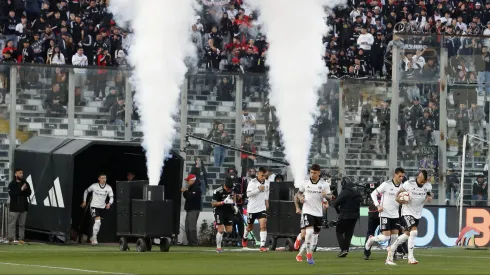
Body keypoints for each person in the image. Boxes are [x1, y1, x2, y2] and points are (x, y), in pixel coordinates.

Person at [386, 170, 432, 265]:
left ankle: (392, 248)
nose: (423, 183)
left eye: (425, 181)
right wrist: (398, 199)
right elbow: (398, 193)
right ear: (419, 177)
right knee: (414, 231)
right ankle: (410, 257)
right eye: (422, 180)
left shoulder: (428, 186)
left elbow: (429, 194)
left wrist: (429, 197)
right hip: (407, 212)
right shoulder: (408, 184)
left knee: (407, 234)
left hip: (417, 213)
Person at [294, 164, 332, 264]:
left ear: (319, 173)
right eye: (311, 172)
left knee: (314, 238)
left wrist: (326, 197)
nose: (312, 174)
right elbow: (298, 194)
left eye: (315, 173)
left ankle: (299, 253)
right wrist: (300, 199)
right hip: (307, 211)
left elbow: (330, 197)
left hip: (318, 213)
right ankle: (309, 255)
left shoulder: (324, 184)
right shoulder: (305, 183)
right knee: (309, 233)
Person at [364, 167, 405, 260]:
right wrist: (378, 205)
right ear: (395, 175)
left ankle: (390, 256)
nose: (401, 178)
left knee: (395, 237)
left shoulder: (403, 187)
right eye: (400, 176)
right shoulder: (386, 184)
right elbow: (373, 194)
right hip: (385, 214)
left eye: (403, 176)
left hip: (395, 214)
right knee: (386, 237)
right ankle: (371, 239)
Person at [81, 173, 114, 245]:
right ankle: (94, 238)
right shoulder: (94, 186)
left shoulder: (108, 187)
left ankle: (93, 236)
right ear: (99, 179)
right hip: (94, 206)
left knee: (98, 223)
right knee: (98, 221)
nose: (104, 180)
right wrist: (84, 201)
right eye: (102, 178)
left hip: (102, 207)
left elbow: (111, 198)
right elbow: (86, 191)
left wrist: (109, 203)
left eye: (105, 178)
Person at [332, 178, 362, 258]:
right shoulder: (357, 191)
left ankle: (343, 250)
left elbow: (336, 203)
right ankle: (346, 249)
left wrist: (337, 208)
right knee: (349, 234)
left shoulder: (346, 191)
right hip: (355, 216)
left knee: (339, 232)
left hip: (345, 215)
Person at [242, 167, 270, 251]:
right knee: (250, 227)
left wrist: (267, 200)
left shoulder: (267, 182)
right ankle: (244, 237)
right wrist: (258, 189)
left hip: (262, 207)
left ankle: (262, 246)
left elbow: (267, 192)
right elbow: (248, 194)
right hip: (252, 208)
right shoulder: (252, 182)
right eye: (262, 175)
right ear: (258, 174)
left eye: (265, 176)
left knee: (263, 225)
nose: (264, 177)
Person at [212, 179, 238, 253]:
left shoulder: (233, 189)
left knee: (229, 230)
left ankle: (220, 229)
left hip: (228, 210)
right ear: (224, 186)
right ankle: (218, 247)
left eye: (230, 189)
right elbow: (213, 204)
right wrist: (223, 202)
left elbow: (234, 195)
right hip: (219, 210)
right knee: (221, 230)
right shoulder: (217, 191)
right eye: (228, 189)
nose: (229, 190)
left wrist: (234, 204)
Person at [7, 168, 31, 244]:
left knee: (22, 224)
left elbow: (29, 193)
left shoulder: (25, 183)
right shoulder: (12, 184)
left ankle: (21, 239)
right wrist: (21, 189)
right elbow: (12, 194)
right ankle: (11, 239)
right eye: (19, 173)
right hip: (14, 208)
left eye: (22, 173)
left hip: (23, 207)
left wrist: (25, 189)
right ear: (15, 174)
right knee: (12, 224)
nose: (21, 174)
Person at [181, 174, 202, 246]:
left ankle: (194, 243)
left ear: (192, 180)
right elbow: (188, 195)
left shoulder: (196, 188)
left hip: (194, 209)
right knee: (187, 227)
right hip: (189, 210)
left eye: (188, 180)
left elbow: (190, 197)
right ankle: (190, 242)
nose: (187, 182)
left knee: (191, 227)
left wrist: (185, 191)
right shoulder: (191, 188)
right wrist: (186, 191)